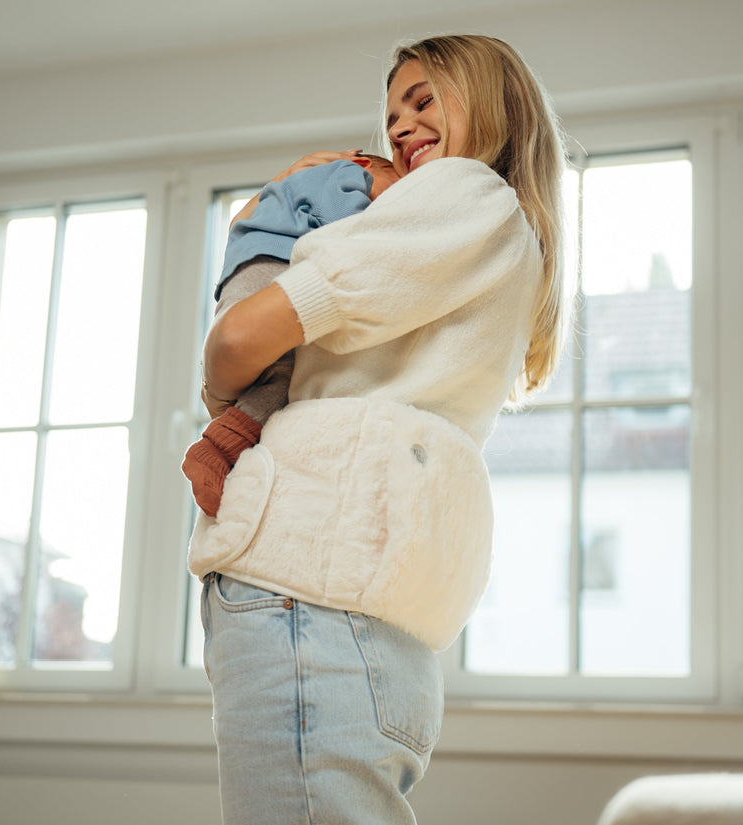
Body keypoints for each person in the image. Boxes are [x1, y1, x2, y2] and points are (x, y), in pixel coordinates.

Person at [190, 34, 567, 825]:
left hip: (307, 579)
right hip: (371, 600)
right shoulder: (501, 241)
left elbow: (232, 344)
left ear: (492, 103)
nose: (400, 128)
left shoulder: (470, 195)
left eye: (424, 100)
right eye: (392, 114)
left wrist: (286, 200)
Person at [182, 154, 401, 517]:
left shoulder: (289, 190)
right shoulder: (346, 175)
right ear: (366, 163)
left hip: (243, 274)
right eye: (393, 184)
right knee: (289, 370)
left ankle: (221, 449)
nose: (393, 198)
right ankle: (217, 448)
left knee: (278, 376)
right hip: (271, 265)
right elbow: (342, 227)